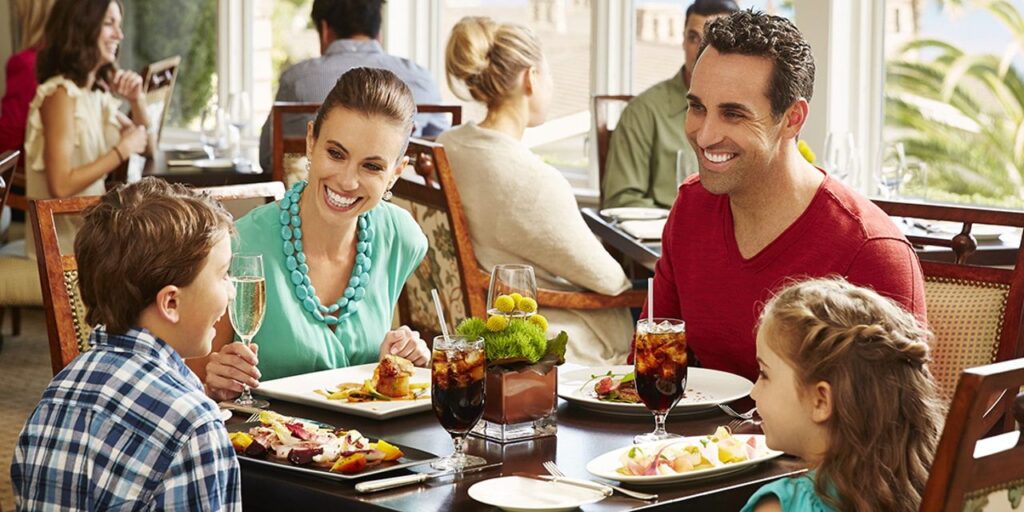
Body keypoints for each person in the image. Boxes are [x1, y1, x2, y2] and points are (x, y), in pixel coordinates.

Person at [640, 10, 926, 382]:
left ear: (792, 119)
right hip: (694, 440)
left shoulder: (870, 250)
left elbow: (893, 428)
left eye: (733, 114)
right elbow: (650, 363)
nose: (705, 135)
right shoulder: (692, 205)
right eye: (697, 108)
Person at [10, 177, 242, 510]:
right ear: (171, 303)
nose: (231, 291)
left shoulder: (59, 392)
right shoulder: (194, 426)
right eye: (223, 275)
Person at [199, 67, 429, 400]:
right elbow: (193, 381)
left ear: (396, 173)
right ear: (311, 142)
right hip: (265, 444)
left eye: (372, 166)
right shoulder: (238, 245)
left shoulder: (401, 237)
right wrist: (215, 380)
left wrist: (407, 357)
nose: (347, 182)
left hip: (370, 448)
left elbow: (376, 375)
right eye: (336, 154)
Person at [439, 17, 634, 366]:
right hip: (543, 338)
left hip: (472, 324)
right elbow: (611, 281)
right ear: (532, 77)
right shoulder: (533, 179)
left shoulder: (447, 146)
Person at [742, 278, 944, 511]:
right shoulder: (929, 488)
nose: (754, 391)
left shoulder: (783, 506)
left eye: (764, 374)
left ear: (821, 400)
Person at [24, 0, 152, 259]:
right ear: (82, 27)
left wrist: (137, 101)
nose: (120, 34)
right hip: (62, 253)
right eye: (108, 24)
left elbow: (148, 146)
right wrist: (121, 150)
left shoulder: (92, 93)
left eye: (119, 24)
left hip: (90, 241)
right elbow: (60, 185)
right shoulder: (59, 94)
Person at [257, 0, 448, 173]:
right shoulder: (422, 78)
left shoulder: (297, 79)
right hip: (408, 206)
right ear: (378, 33)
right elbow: (444, 158)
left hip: (314, 205)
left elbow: (268, 158)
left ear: (324, 30)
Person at [602, 0, 738, 209]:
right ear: (683, 41)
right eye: (693, 38)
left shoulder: (752, 115)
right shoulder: (642, 112)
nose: (701, 49)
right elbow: (622, 201)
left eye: (712, 39)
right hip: (664, 236)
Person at [0, 0, 55, 153]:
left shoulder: (27, 63)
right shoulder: (74, 62)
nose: (17, 13)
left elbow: (10, 137)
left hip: (27, 172)